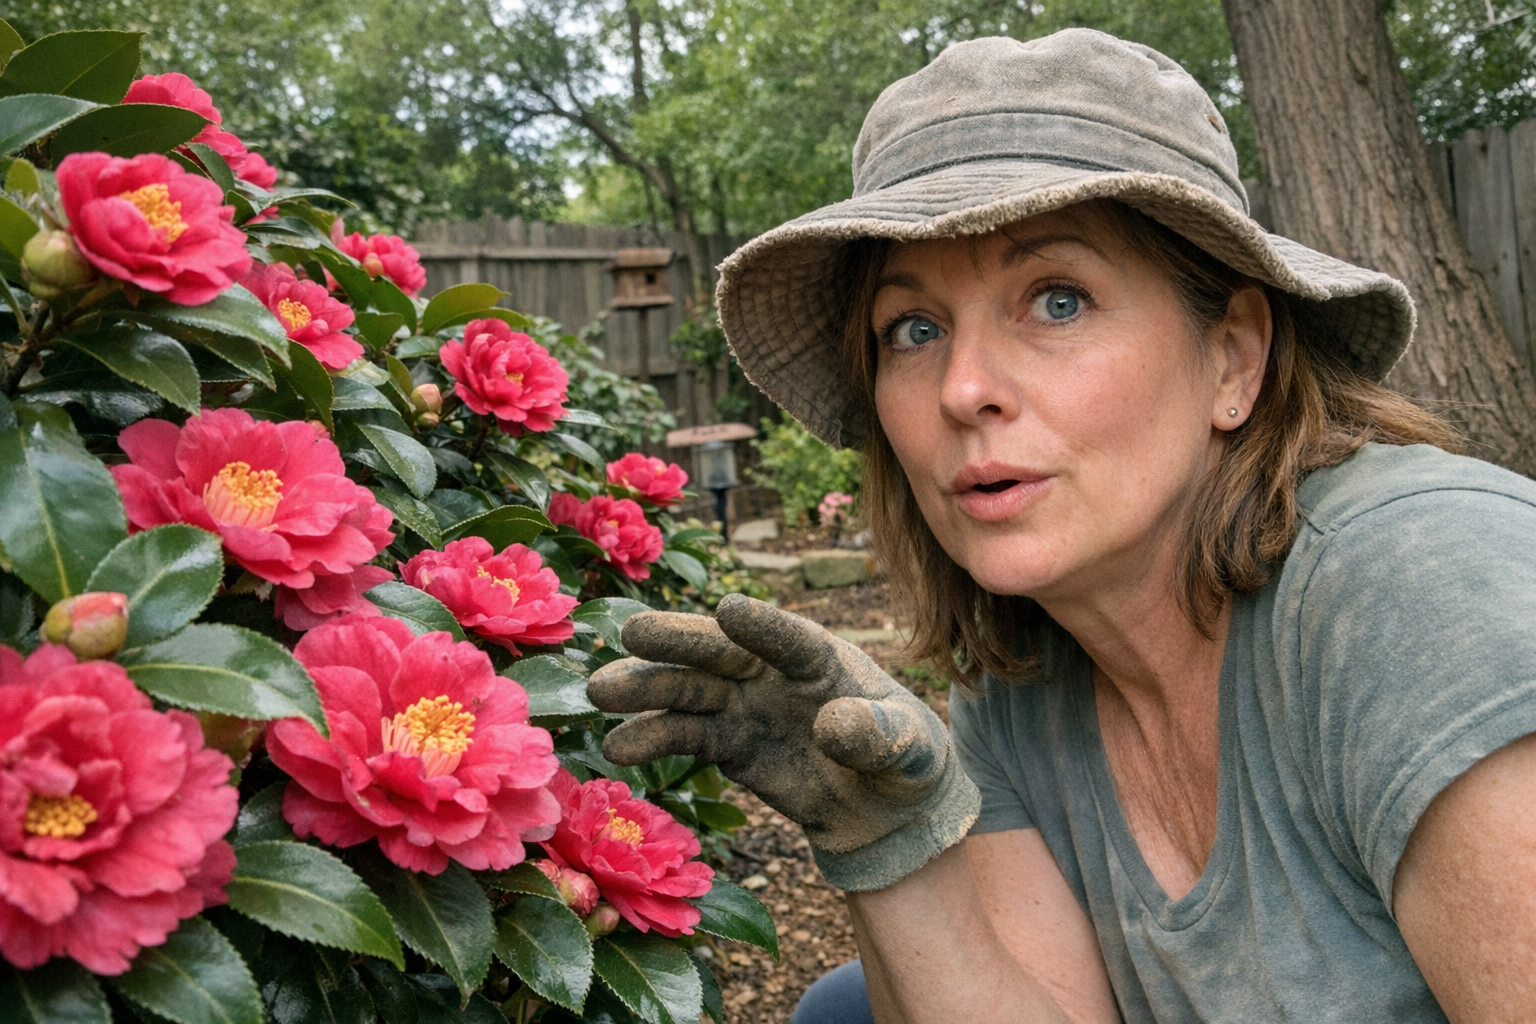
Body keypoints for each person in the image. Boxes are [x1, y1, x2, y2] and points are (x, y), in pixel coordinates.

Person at [588, 29, 1536, 1023]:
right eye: (914, 328)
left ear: (1234, 358)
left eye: (1056, 299)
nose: (961, 389)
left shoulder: (1426, 592)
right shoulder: (1021, 670)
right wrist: (887, 844)